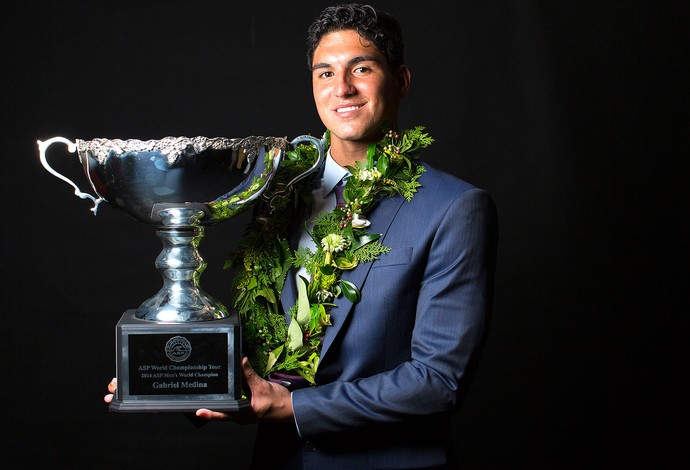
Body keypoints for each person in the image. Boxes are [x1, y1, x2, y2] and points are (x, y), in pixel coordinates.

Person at [105, 4, 497, 469]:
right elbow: (266, 342)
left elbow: (437, 380)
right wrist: (176, 369)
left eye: (362, 69)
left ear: (402, 81)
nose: (342, 89)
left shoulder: (453, 208)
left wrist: (294, 409)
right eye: (325, 73)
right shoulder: (276, 193)